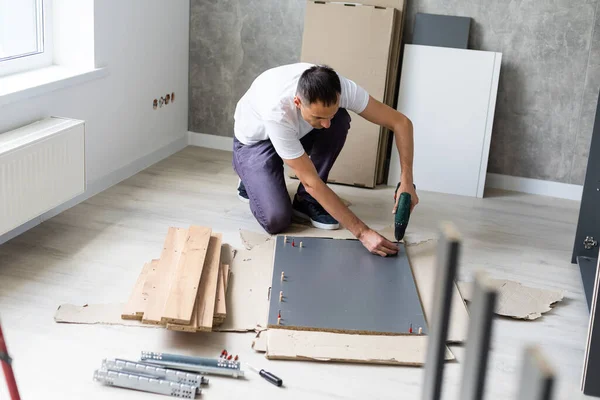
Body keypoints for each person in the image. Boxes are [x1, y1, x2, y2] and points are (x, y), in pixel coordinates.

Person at [232, 63, 418, 257]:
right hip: (257, 143)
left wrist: (406, 181)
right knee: (276, 219)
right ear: (297, 102)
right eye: (319, 116)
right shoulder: (277, 111)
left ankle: (306, 200)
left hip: (294, 133)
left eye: (330, 113)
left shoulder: (340, 87)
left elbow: (401, 122)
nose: (326, 123)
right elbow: (310, 181)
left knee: (340, 120)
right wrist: (363, 233)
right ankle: (248, 177)